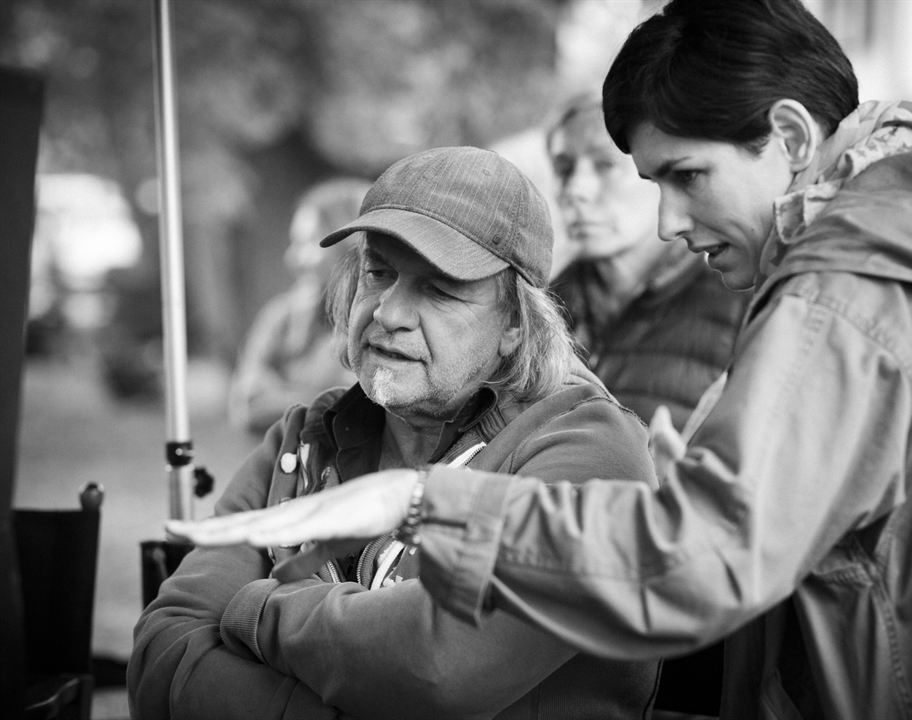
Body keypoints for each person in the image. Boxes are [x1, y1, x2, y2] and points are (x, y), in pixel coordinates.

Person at [166, 2, 912, 719]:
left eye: (687, 177)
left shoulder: (842, 290)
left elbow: (696, 562)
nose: (666, 226)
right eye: (376, 273)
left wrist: (413, 505)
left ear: (795, 140)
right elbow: (167, 639)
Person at [130, 147, 661, 719]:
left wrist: (258, 609)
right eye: (378, 272)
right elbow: (162, 654)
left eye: (439, 289)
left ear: (515, 324)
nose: (387, 313)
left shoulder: (588, 451)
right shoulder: (305, 437)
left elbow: (437, 667)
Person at [547, 92, 748, 429]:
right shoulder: (534, 314)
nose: (575, 189)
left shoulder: (741, 298)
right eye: (564, 168)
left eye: (605, 164)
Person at [228, 177, 370, 436]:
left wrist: (283, 396)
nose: (292, 257)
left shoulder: (379, 321)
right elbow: (248, 409)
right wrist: (326, 399)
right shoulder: (280, 317)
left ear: (350, 245)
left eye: (307, 242)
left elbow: (369, 414)